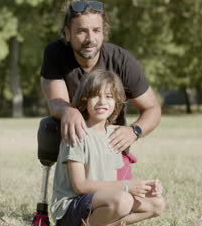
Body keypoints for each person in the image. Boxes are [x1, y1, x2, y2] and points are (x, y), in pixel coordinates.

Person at [40, 0, 161, 179]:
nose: (90, 39)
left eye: (96, 30)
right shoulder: (55, 53)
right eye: (81, 31)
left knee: (124, 203)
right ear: (67, 34)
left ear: (104, 33)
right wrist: (67, 110)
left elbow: (153, 109)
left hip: (111, 144)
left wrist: (134, 131)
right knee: (49, 127)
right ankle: (48, 198)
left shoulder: (122, 60)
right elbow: (56, 102)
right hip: (77, 141)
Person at [51, 69, 165, 226]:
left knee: (157, 204)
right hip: (70, 208)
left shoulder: (114, 135)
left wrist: (143, 187)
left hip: (99, 202)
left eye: (109, 96)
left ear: (116, 101)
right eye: (96, 95)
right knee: (122, 200)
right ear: (85, 99)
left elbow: (111, 183)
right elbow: (80, 186)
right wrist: (127, 186)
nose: (102, 101)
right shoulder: (76, 133)